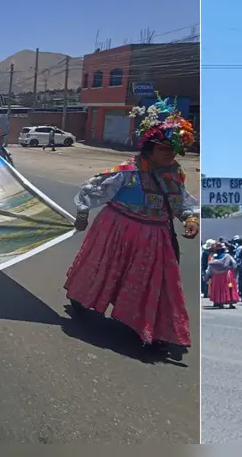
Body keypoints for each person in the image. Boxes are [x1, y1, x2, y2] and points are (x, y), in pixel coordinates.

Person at [63, 95, 198, 353]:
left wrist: (190, 218)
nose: (170, 154)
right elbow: (93, 190)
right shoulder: (127, 171)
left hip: (156, 237)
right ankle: (82, 299)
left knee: (153, 282)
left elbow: (180, 200)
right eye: (164, 149)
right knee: (103, 269)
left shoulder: (174, 174)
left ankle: (149, 326)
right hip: (116, 230)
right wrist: (82, 214)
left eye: (174, 149)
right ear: (150, 148)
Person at [205, 242, 239, 309]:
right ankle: (230, 303)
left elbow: (209, 268)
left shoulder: (213, 258)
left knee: (219, 289)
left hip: (216, 276)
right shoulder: (228, 256)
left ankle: (220, 303)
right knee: (229, 287)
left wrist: (207, 276)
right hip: (227, 275)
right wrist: (232, 269)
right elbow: (234, 264)